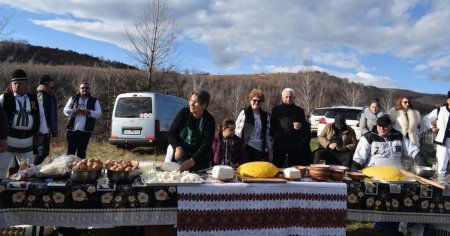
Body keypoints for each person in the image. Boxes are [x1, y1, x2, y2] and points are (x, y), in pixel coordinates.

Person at [0, 69, 48, 178]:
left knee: (27, 170)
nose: (17, 86)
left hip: (27, 141)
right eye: (15, 83)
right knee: (2, 167)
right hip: (8, 140)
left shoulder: (35, 99)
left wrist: (40, 134)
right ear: (11, 85)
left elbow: (41, 116)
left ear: (26, 84)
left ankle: (24, 193)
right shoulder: (4, 98)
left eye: (20, 83)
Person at [167, 89, 215, 172]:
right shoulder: (183, 113)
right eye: (191, 100)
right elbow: (171, 133)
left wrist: (193, 160)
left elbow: (206, 144)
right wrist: (177, 147)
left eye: (196, 102)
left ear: (204, 105)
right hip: (182, 154)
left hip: (200, 158)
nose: (191, 104)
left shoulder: (209, 121)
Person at [352, 115, 423, 170]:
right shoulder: (368, 137)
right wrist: (355, 171)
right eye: (379, 126)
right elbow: (358, 159)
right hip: (373, 175)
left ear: (390, 126)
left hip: (396, 175)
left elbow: (414, 151)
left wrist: (422, 163)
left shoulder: (399, 136)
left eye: (385, 126)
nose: (381, 129)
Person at [270, 88, 311, 167]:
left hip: (294, 144)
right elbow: (271, 125)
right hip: (280, 143)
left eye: (290, 97)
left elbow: (306, 126)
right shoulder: (276, 110)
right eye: (286, 97)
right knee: (277, 167)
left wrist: (301, 126)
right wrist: (275, 136)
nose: (288, 99)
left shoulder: (300, 111)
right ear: (282, 98)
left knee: (294, 168)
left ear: (294, 98)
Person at [63, 81, 102, 159]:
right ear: (79, 89)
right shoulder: (73, 98)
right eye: (82, 88)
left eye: (86, 88)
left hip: (86, 131)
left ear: (89, 89)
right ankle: (69, 170)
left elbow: (99, 114)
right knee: (70, 153)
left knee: (82, 152)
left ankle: (80, 170)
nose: (84, 89)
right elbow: (65, 110)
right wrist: (74, 111)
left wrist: (89, 112)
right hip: (72, 130)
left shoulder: (94, 100)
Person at [235, 89, 272, 162]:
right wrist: (237, 147)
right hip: (246, 147)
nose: (256, 102)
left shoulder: (266, 116)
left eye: (259, 101)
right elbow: (237, 131)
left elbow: (268, 133)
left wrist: (270, 149)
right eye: (254, 100)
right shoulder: (245, 112)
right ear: (250, 100)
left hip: (260, 148)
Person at [423, 91, 450, 180]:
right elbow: (426, 119)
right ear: (448, 99)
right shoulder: (440, 110)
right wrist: (432, 128)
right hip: (443, 141)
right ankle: (441, 186)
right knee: (442, 164)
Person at [33, 75, 58, 165]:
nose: (53, 86)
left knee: (44, 152)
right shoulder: (42, 95)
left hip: (46, 129)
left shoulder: (49, 96)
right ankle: (31, 169)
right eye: (51, 84)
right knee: (43, 152)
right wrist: (45, 128)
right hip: (43, 129)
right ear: (46, 84)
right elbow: (42, 114)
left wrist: (53, 129)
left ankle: (33, 168)